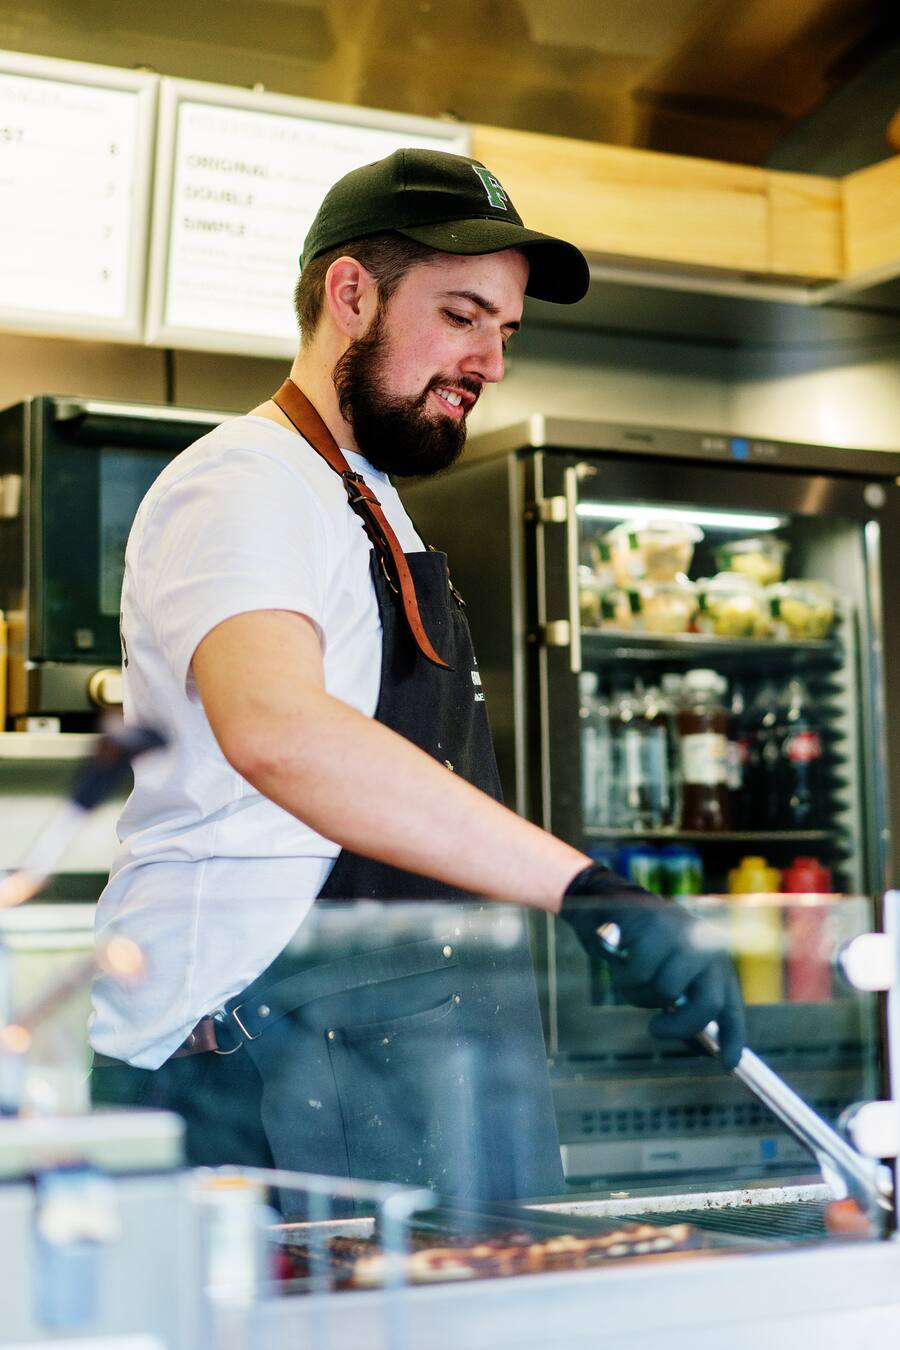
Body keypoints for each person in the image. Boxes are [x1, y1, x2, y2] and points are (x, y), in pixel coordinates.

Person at [90, 148, 744, 1198]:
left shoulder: (367, 496)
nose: (490, 360)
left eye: (505, 331)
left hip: (374, 1055)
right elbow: (280, 732)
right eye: (461, 314)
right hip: (248, 1080)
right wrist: (585, 890)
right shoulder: (242, 483)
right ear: (350, 295)